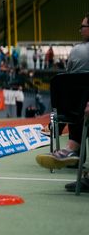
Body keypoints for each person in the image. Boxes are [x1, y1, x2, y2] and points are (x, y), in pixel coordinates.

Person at [36, 13, 89, 192]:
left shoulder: (77, 51)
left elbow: (69, 80)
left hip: (76, 112)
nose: (80, 30)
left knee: (77, 98)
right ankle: (73, 148)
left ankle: (71, 146)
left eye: (83, 27)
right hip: (84, 110)